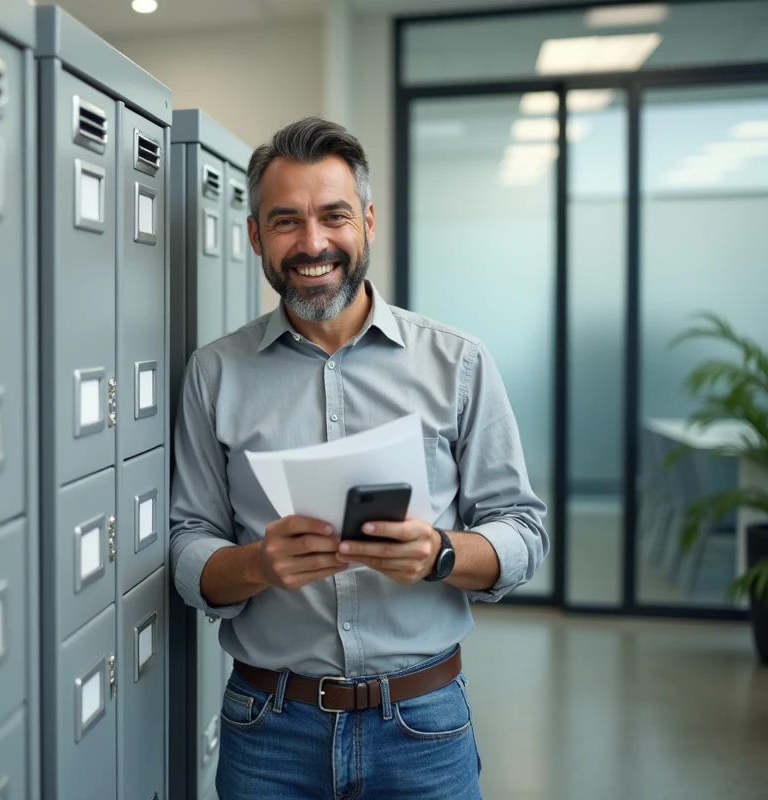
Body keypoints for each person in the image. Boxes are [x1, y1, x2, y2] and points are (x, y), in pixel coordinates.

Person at [168, 116, 549, 799]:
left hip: (424, 727)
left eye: (333, 216)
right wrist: (256, 564)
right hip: (269, 731)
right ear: (254, 235)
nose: (312, 244)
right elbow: (186, 543)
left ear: (366, 222)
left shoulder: (456, 363)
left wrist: (440, 553)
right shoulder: (213, 374)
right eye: (285, 221)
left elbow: (523, 530)